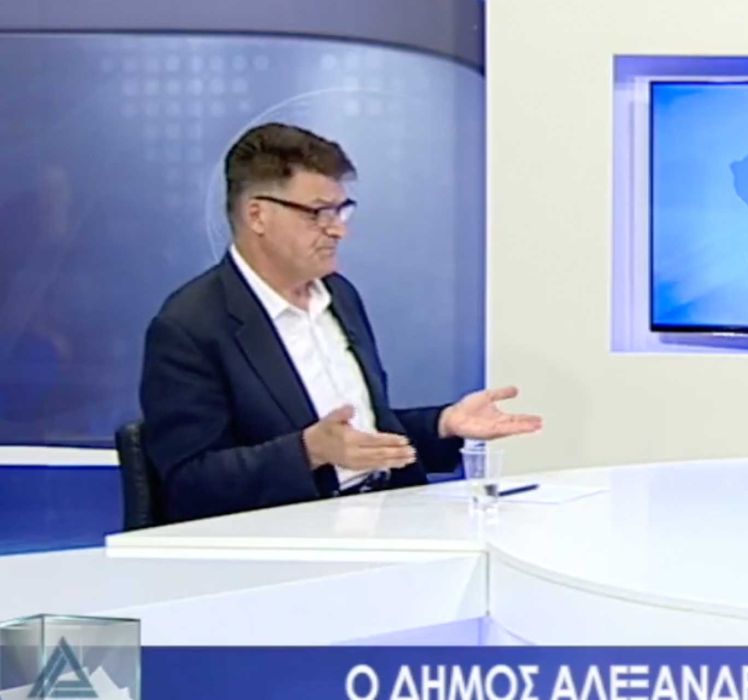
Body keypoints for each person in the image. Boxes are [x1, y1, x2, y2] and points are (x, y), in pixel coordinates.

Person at [140, 123, 541, 522]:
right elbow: (189, 483)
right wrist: (308, 452)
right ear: (257, 215)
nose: (338, 229)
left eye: (341, 210)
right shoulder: (190, 327)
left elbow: (363, 436)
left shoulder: (339, 296)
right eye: (318, 213)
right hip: (288, 536)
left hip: (388, 513)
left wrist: (445, 424)